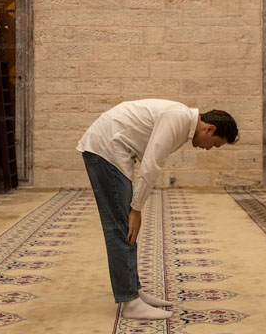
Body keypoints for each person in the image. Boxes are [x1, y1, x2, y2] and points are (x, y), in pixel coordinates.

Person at [76, 99, 239, 320]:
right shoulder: (179, 118)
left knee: (125, 227)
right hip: (106, 150)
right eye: (215, 144)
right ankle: (130, 303)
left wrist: (135, 207)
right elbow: (151, 164)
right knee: (120, 227)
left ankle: (133, 291)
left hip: (113, 150)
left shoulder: (182, 121)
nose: (209, 149)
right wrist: (136, 209)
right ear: (210, 129)